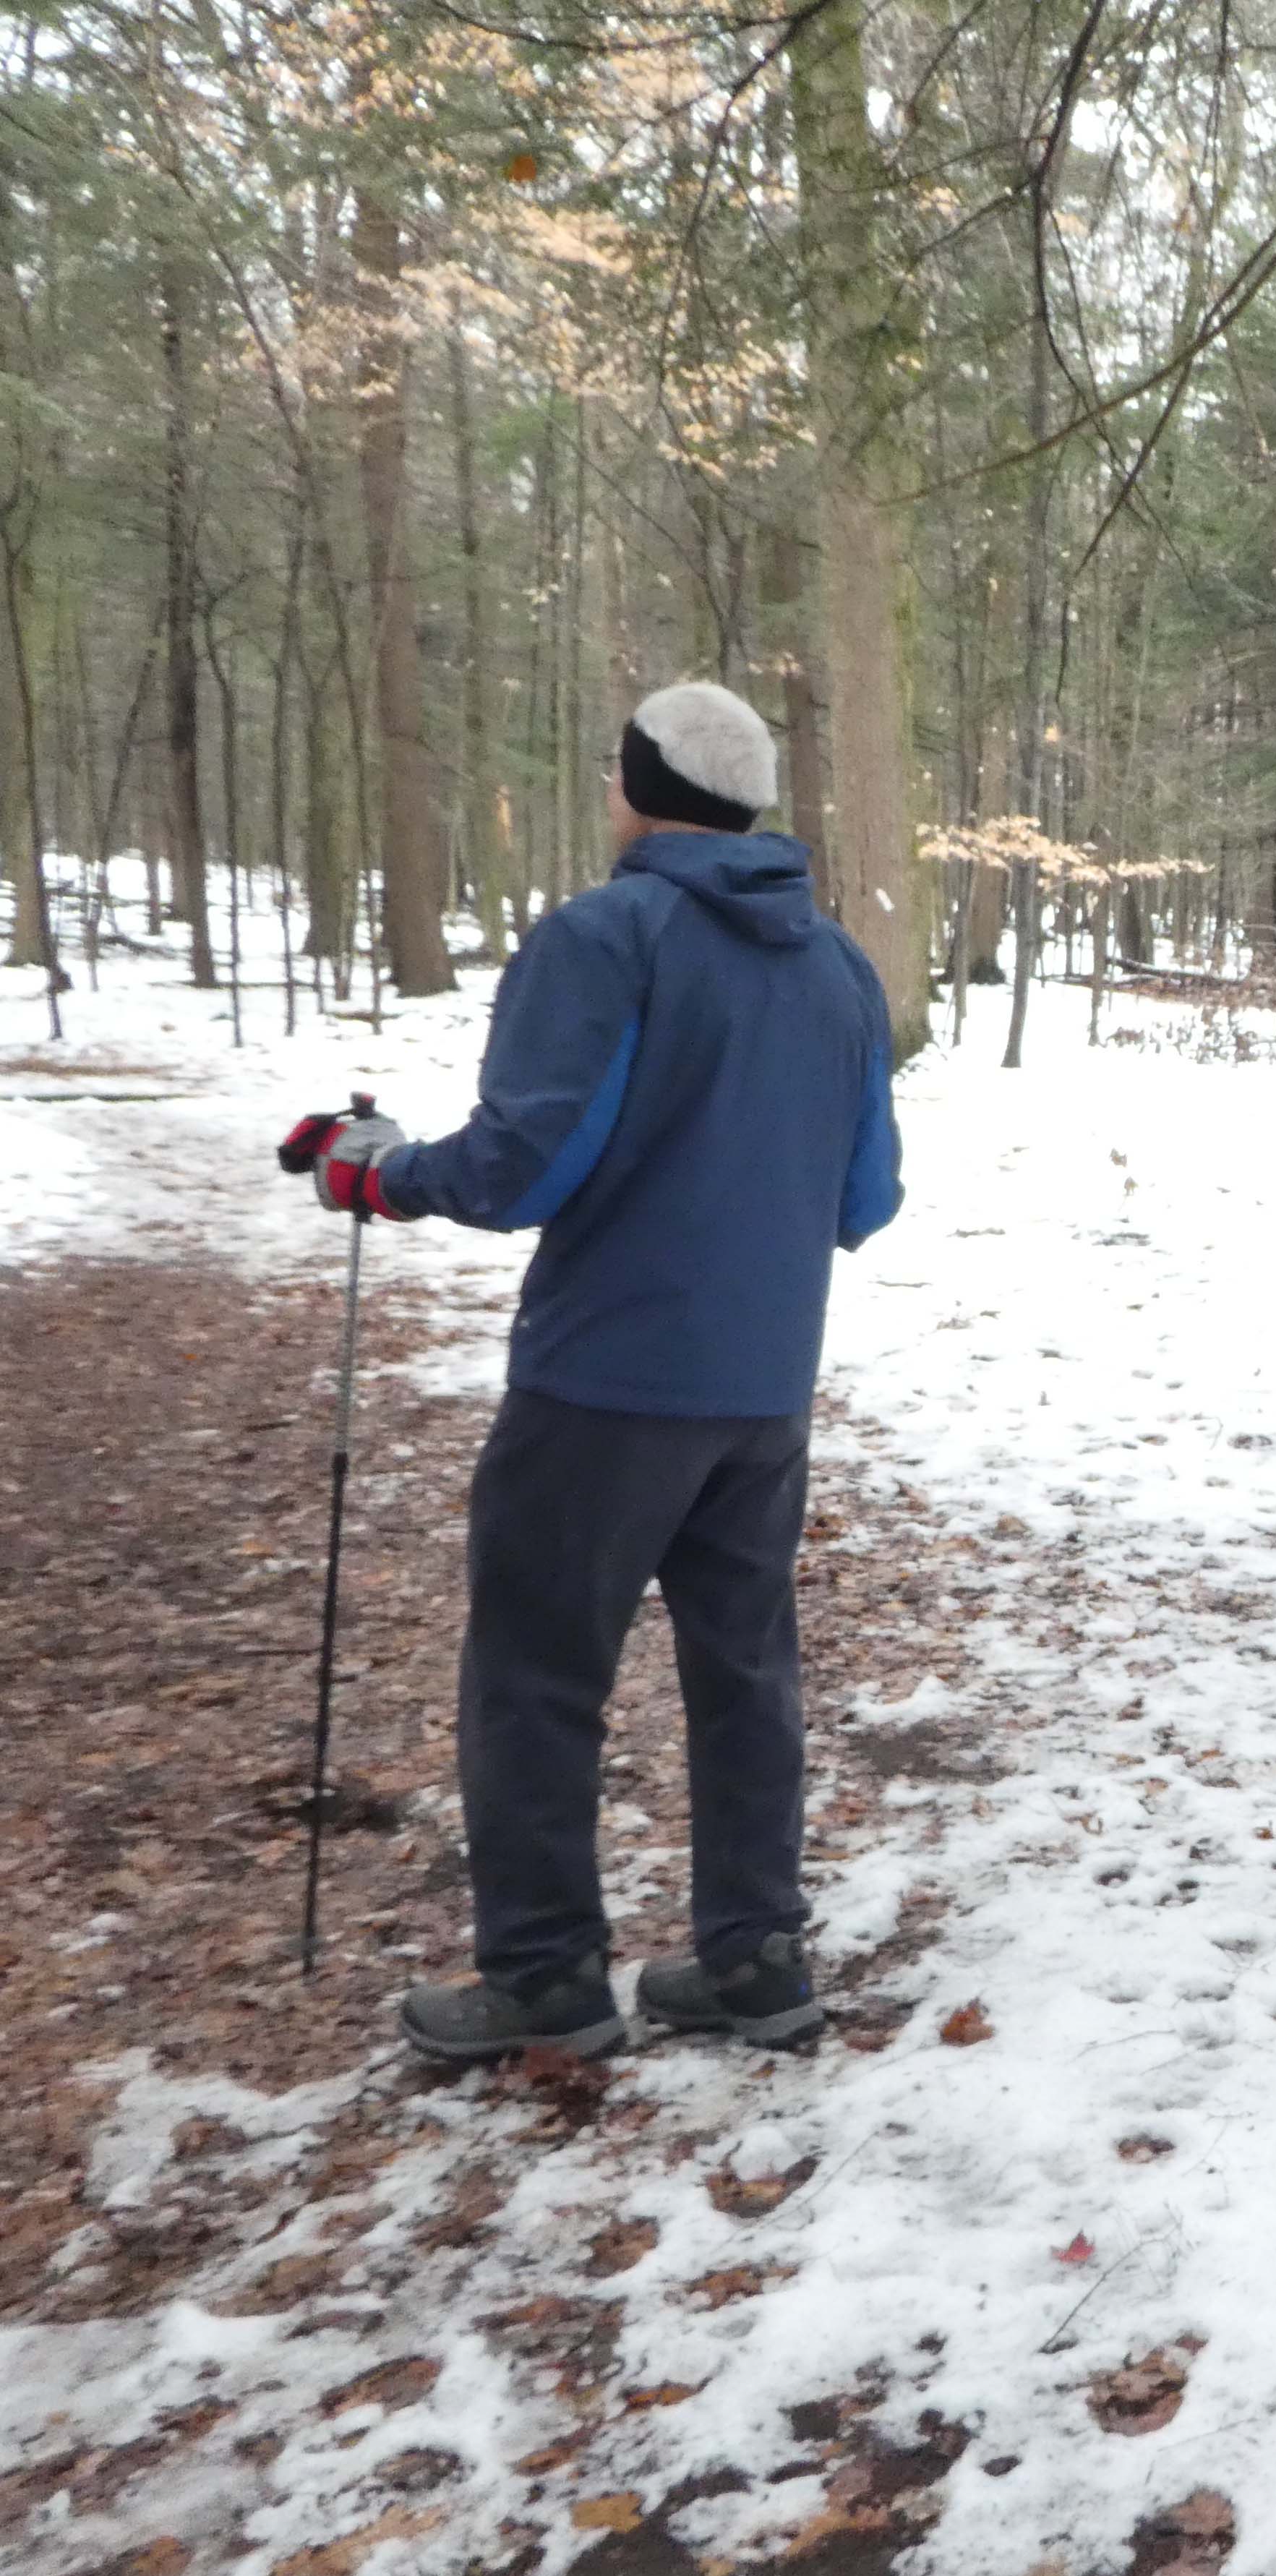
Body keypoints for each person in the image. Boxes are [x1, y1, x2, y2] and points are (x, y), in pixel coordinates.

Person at [280, 680, 902, 2063]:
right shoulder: (838, 966)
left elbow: (522, 1165)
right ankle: (757, 1957)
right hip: (764, 1391)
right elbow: (867, 1196)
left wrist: (379, 1174)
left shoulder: (605, 936)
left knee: (537, 1675)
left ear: (638, 786)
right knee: (745, 1673)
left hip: (605, 1385)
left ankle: (548, 1977)